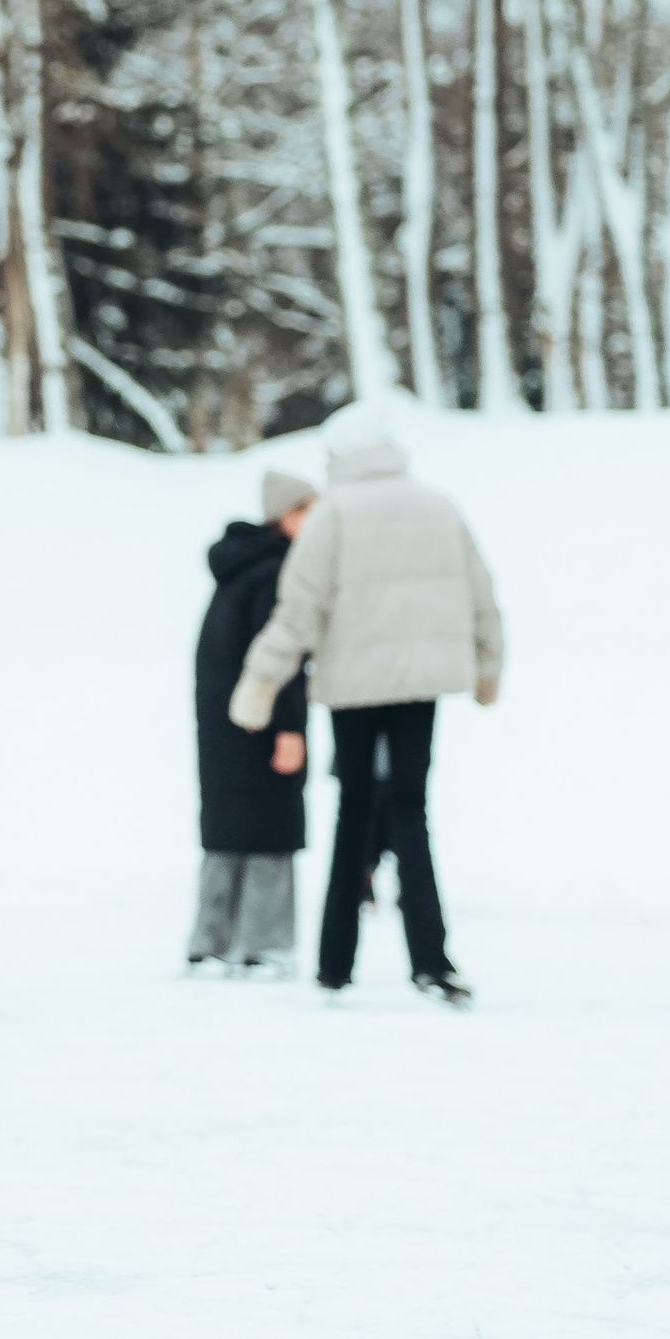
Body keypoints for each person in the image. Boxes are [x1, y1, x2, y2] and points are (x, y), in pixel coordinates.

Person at [230, 420, 504, 1006]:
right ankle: (432, 962)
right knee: (412, 810)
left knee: (353, 811)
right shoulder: (438, 505)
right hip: (422, 685)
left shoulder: (334, 514)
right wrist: (488, 665)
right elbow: (482, 589)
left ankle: (335, 965)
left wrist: (262, 678)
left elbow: (299, 609)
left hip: (352, 686)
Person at [188, 469, 315, 978]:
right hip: (259, 718)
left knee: (227, 826)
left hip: (221, 719)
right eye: (307, 510)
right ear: (284, 516)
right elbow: (277, 661)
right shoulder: (278, 571)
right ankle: (266, 945)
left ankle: (212, 942)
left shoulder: (239, 565)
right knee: (270, 825)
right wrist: (289, 727)